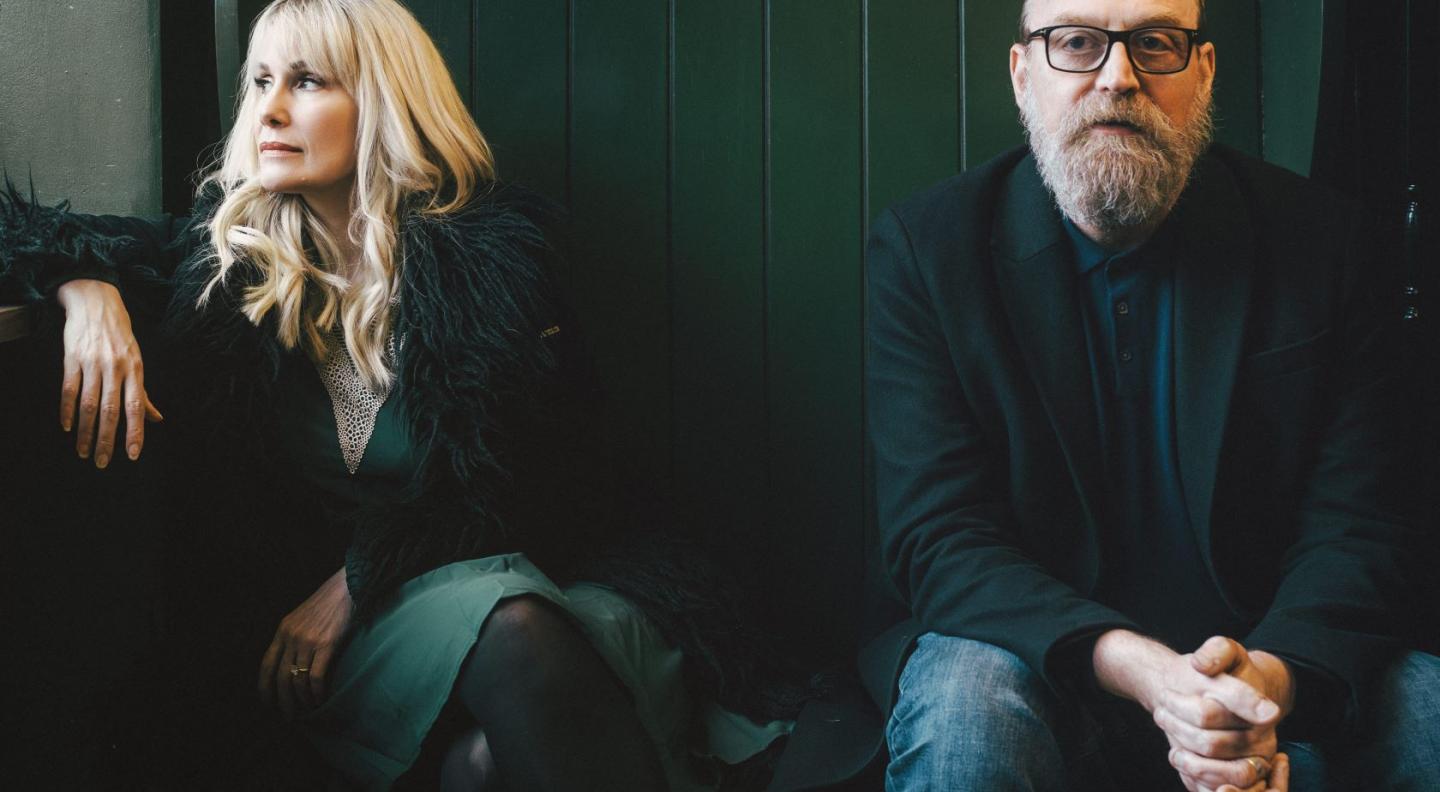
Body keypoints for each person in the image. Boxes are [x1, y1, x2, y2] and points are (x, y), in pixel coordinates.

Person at [0, 0, 795, 788]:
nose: (270, 109)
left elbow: (548, 485)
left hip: (495, 592)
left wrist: (357, 576)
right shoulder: (221, 265)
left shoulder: (488, 272)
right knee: (510, 643)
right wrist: (85, 289)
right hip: (329, 652)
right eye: (262, 81)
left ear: (381, 98)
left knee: (492, 732)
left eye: (307, 82)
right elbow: (26, 226)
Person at [863, 0, 1440, 789]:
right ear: (1022, 73)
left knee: (1427, 713)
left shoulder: (1325, 243)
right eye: (1076, 42)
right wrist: (1144, 671)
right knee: (966, 711)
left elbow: (1362, 521)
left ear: (1202, 73)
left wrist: (1263, 683)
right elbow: (938, 535)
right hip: (1034, 653)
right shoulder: (929, 251)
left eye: (1157, 43)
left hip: (1267, 653)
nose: (1118, 76)